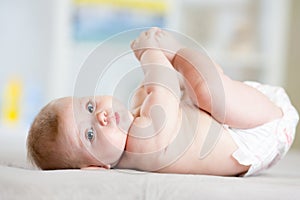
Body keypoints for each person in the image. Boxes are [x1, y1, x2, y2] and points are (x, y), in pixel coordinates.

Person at [27, 27, 299, 176]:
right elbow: (165, 89)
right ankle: (176, 49)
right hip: (258, 132)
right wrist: (150, 54)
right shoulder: (142, 146)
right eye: (89, 134)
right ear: (96, 167)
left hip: (236, 120)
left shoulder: (133, 130)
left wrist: (143, 95)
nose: (101, 117)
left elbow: (166, 105)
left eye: (89, 107)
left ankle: (191, 66)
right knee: (207, 92)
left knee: (197, 93)